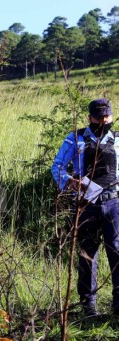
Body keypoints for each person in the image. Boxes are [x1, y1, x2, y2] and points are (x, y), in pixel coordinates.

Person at [51, 98, 117, 317]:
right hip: (86, 203)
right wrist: (69, 181)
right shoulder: (75, 139)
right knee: (88, 252)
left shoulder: (117, 140)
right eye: (99, 117)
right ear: (90, 117)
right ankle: (88, 306)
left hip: (114, 203)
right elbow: (57, 167)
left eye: (106, 116)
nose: (103, 121)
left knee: (116, 251)